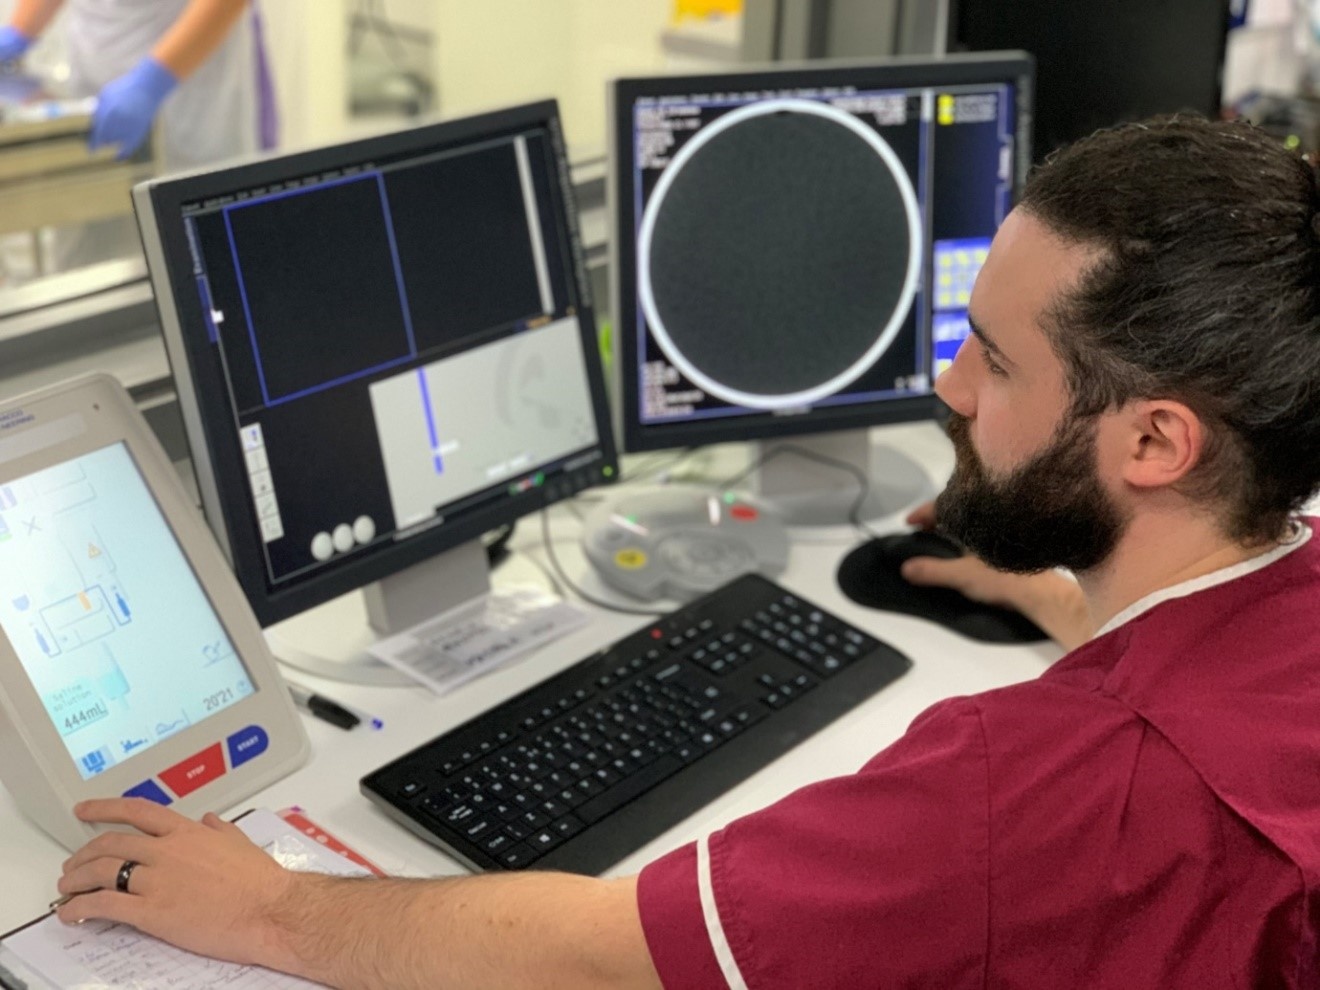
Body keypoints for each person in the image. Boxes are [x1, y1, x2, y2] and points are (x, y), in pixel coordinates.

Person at [51, 115, 1320, 988]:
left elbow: (605, 955)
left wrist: (264, 904)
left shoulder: (1021, 789)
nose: (948, 384)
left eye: (993, 357)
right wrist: (1061, 592)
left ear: (1155, 442)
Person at [0, 0, 271, 168]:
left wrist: (153, 81)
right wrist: (20, 32)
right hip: (92, 88)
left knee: (185, 239)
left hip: (186, 92)